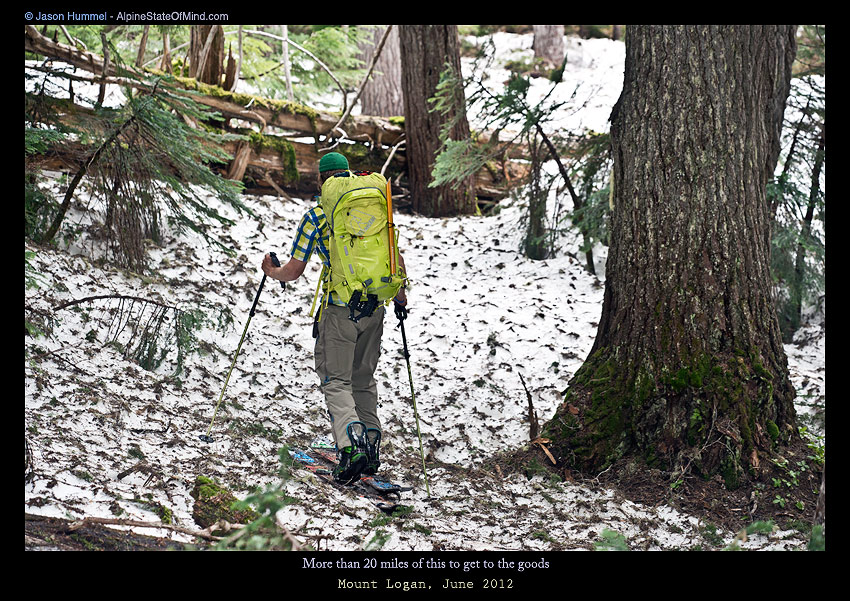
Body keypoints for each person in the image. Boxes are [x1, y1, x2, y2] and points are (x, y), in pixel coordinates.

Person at [261, 152, 408, 484]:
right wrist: (400, 298)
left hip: (341, 309)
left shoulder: (317, 215)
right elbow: (394, 255)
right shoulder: (374, 210)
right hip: (376, 306)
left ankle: (349, 448)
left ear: (320, 180)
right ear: (348, 175)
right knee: (363, 380)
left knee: (336, 381)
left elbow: (294, 271)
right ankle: (370, 450)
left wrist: (272, 271)